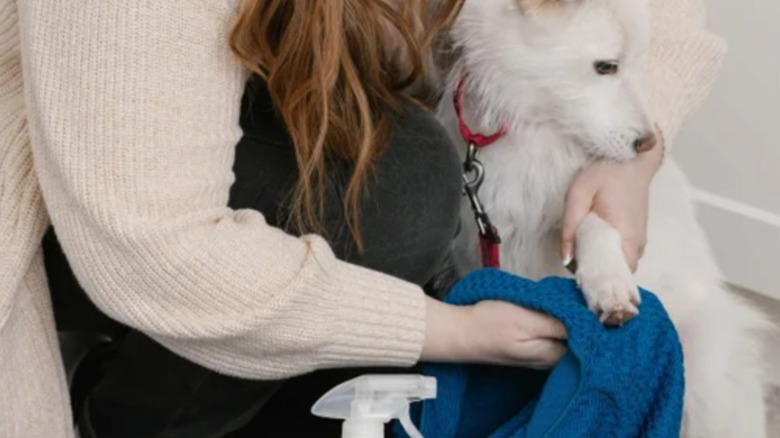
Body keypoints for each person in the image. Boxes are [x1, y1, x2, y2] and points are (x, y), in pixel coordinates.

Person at [0, 0, 723, 436]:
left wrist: (635, 156)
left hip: (265, 86)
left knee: (399, 185)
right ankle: (126, 418)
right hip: (84, 165)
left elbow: (655, 17)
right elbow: (155, 248)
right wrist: (445, 332)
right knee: (396, 202)